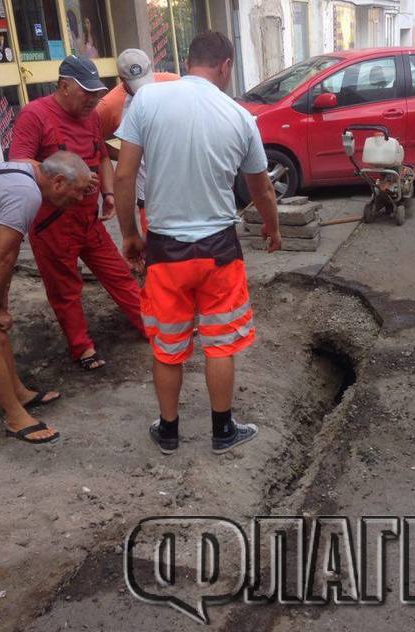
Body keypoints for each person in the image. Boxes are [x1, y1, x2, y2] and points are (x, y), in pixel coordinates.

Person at [114, 31, 281, 455]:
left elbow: (123, 175)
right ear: (225, 65)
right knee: (220, 342)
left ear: (188, 60)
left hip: (165, 250)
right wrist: (272, 227)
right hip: (218, 251)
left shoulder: (148, 101)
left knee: (167, 347)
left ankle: (168, 432)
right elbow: (261, 189)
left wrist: (131, 234)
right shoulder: (239, 116)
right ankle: (222, 431)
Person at [9, 55, 145, 370]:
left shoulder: (92, 117)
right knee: (65, 288)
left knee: (119, 273)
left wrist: (108, 193)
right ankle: (82, 348)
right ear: (64, 86)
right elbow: (19, 163)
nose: (93, 99)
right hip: (52, 221)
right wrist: (68, 177)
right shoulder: (35, 115)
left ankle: (151, 326)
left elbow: (99, 156)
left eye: (97, 92)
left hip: (88, 217)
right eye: (86, 92)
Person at [0, 151, 92, 445]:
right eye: (79, 191)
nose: (81, 199)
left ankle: (18, 392)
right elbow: (3, 254)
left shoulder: (29, 173)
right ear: (58, 182)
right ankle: (14, 416)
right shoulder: (26, 193)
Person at [97, 49, 180, 233]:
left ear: (151, 67)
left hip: (182, 187)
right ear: (121, 79)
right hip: (150, 198)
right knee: (154, 255)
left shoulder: (173, 82)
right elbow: (94, 140)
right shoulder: (108, 106)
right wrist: (125, 156)